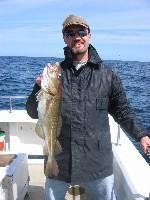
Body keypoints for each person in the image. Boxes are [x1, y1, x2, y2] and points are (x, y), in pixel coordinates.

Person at [26, 14, 150, 200]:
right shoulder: (56, 73)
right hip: (61, 159)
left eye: (82, 31)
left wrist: (142, 134)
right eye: (70, 33)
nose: (77, 37)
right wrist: (39, 86)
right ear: (65, 38)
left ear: (89, 35)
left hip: (97, 160)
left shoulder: (108, 76)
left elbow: (123, 111)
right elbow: (33, 112)